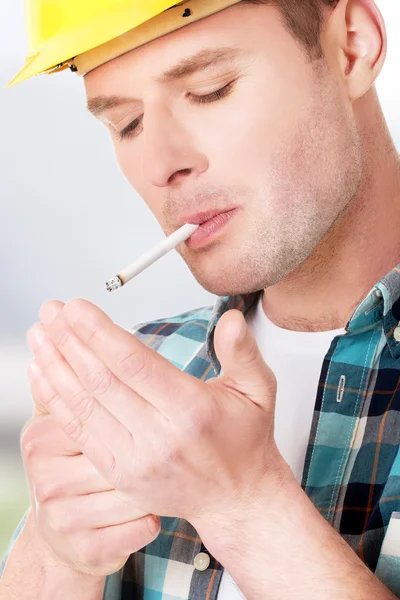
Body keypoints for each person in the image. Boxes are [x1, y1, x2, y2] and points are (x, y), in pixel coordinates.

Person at [1, 0, 400, 598]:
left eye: (211, 90)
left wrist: (244, 507)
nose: (163, 163)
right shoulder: (147, 372)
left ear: (351, 46)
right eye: (126, 125)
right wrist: (57, 560)